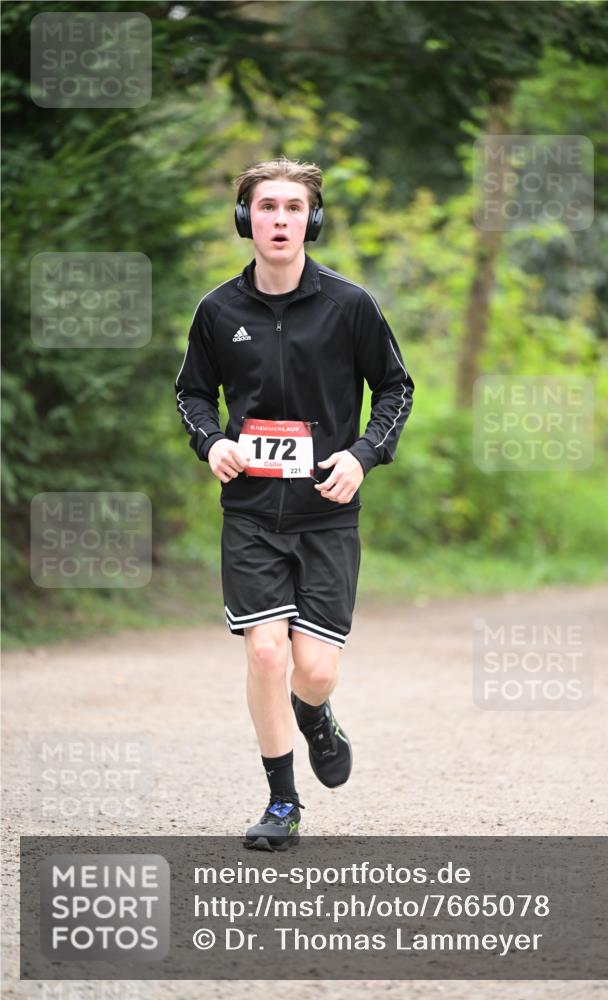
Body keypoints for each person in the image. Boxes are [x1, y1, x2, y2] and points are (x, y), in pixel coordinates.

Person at [175, 157, 413, 851]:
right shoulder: (218, 311)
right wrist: (212, 442)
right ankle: (282, 802)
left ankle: (316, 716)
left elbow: (395, 388)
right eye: (266, 207)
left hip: (326, 515)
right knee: (265, 655)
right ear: (244, 219)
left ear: (313, 220)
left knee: (314, 671)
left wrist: (362, 455)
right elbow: (192, 393)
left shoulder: (349, 305)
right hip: (251, 512)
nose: (280, 219)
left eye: (293, 208)